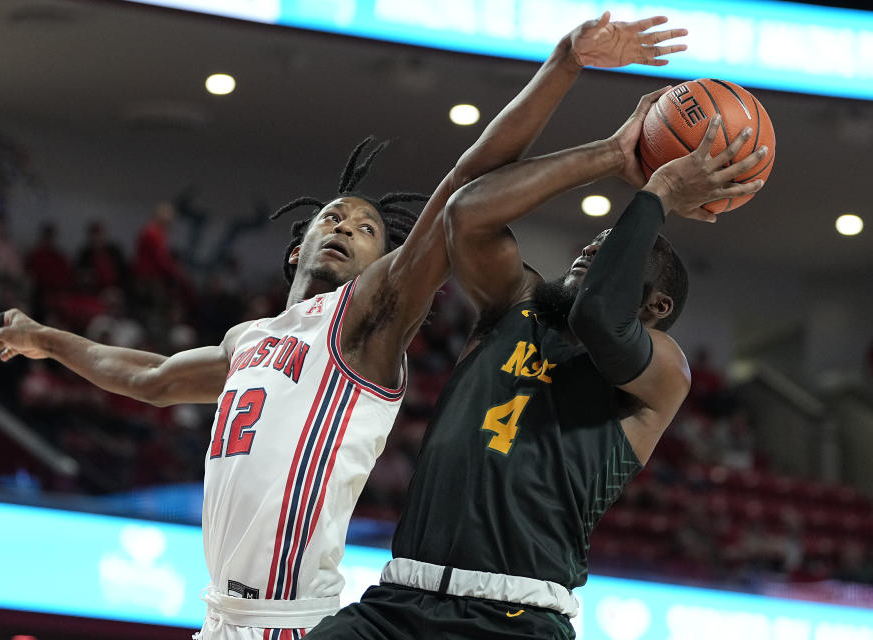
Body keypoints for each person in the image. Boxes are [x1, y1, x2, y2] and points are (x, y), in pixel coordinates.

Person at [0, 13, 688, 639]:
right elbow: (151, 378)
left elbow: (464, 185)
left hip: (292, 618)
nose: (347, 227)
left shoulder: (368, 317)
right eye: (334, 217)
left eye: (369, 228)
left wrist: (563, 69)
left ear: (391, 262)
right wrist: (47, 340)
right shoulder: (249, 340)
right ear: (298, 244)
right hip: (221, 617)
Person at [305, 95, 767, 637]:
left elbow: (600, 317)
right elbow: (466, 214)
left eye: (615, 249)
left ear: (656, 306)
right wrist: (612, 154)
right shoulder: (516, 303)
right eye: (594, 242)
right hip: (399, 601)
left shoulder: (664, 370)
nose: (591, 251)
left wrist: (658, 194)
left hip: (516, 618)